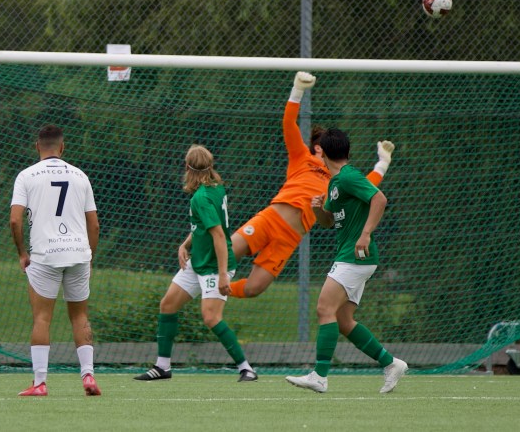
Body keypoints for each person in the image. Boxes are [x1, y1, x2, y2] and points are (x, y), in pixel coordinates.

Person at [223, 71, 393, 299]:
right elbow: (288, 123)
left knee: (253, 288)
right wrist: (298, 90)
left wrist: (383, 163)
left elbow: (368, 186)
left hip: (290, 237)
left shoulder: (339, 179)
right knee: (225, 254)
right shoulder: (301, 157)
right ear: (319, 148)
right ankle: (197, 280)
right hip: (270, 220)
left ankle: (214, 290)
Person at [285, 127, 407, 394]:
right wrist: (318, 210)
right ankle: (391, 363)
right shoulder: (336, 182)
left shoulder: (349, 176)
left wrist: (365, 233)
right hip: (353, 256)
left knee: (324, 308)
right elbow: (328, 222)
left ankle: (319, 376)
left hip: (355, 256)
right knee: (343, 320)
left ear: (323, 154)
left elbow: (379, 199)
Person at [134, 145, 257, 382]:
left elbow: (219, 235)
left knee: (211, 317)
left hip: (214, 265)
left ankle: (246, 368)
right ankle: (162, 367)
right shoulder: (216, 188)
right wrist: (185, 245)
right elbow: (202, 227)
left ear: (187, 168)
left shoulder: (201, 198)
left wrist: (223, 274)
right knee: (168, 304)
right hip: (199, 260)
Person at [10, 124, 101, 397]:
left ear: (37, 146)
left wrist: (22, 253)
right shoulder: (80, 176)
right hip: (78, 253)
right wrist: (89, 256)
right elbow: (94, 225)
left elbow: (15, 220)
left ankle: (40, 383)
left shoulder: (26, 176)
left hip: (45, 255)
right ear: (62, 147)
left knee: (42, 317)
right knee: (80, 316)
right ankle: (88, 376)